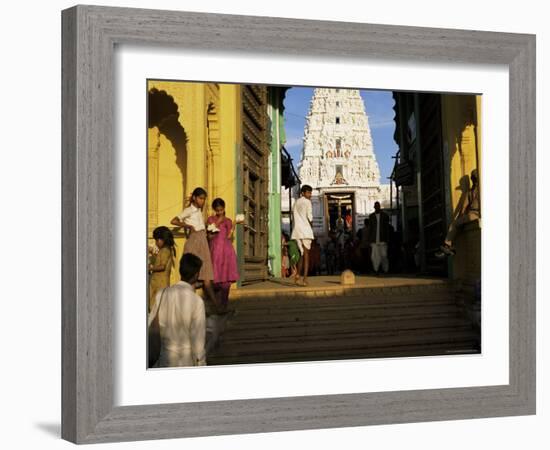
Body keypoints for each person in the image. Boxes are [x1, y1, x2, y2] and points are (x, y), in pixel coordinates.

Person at [148, 253, 206, 368]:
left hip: (163, 360)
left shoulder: (162, 293)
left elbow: (150, 324)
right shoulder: (197, 301)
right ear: (196, 275)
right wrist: (202, 364)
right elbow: (198, 342)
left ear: (180, 270)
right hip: (186, 362)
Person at [171, 187, 220, 314]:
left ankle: (216, 306)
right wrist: (188, 226)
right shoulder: (188, 210)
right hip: (194, 242)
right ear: (194, 198)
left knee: (207, 275)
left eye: (204, 199)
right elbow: (174, 221)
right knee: (192, 277)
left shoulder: (199, 211)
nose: (202, 201)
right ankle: (192, 309)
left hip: (202, 241)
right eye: (200, 198)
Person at [436, 169, 480, 258]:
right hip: (473, 214)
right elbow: (463, 208)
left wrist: (458, 220)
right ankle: (450, 247)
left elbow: (463, 208)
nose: (473, 180)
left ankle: (447, 245)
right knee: (457, 225)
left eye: (474, 178)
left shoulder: (475, 190)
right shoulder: (471, 191)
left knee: (455, 224)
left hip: (475, 214)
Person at [206, 198, 241, 312]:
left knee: (226, 280)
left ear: (224, 208)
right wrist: (217, 222)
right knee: (215, 279)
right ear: (214, 210)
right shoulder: (210, 219)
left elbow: (229, 237)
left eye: (221, 210)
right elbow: (209, 236)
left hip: (226, 251)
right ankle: (216, 304)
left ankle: (224, 305)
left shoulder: (228, 221)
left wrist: (234, 224)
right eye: (217, 210)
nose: (219, 212)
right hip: (215, 251)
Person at [148, 226, 176, 312]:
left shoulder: (164, 250)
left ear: (161, 240)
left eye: (156, 240)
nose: (156, 243)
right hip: (159, 283)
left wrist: (150, 268)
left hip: (159, 284)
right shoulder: (166, 250)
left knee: (156, 307)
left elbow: (162, 266)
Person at [291, 184, 314, 285]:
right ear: (303, 193)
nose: (310, 195)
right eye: (308, 193)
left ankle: (297, 276)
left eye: (310, 193)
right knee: (306, 256)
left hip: (297, 231)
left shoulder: (296, 202)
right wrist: (312, 227)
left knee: (301, 254)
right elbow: (310, 217)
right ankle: (305, 278)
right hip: (306, 231)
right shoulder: (307, 202)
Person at [368, 201, 390, 275]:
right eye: (376, 206)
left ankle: (385, 269)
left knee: (384, 255)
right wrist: (369, 240)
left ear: (380, 207)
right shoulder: (371, 216)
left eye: (378, 206)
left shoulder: (385, 216)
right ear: (374, 207)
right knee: (374, 256)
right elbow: (370, 228)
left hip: (383, 239)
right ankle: (376, 269)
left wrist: (387, 239)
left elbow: (387, 228)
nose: (377, 207)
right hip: (374, 240)